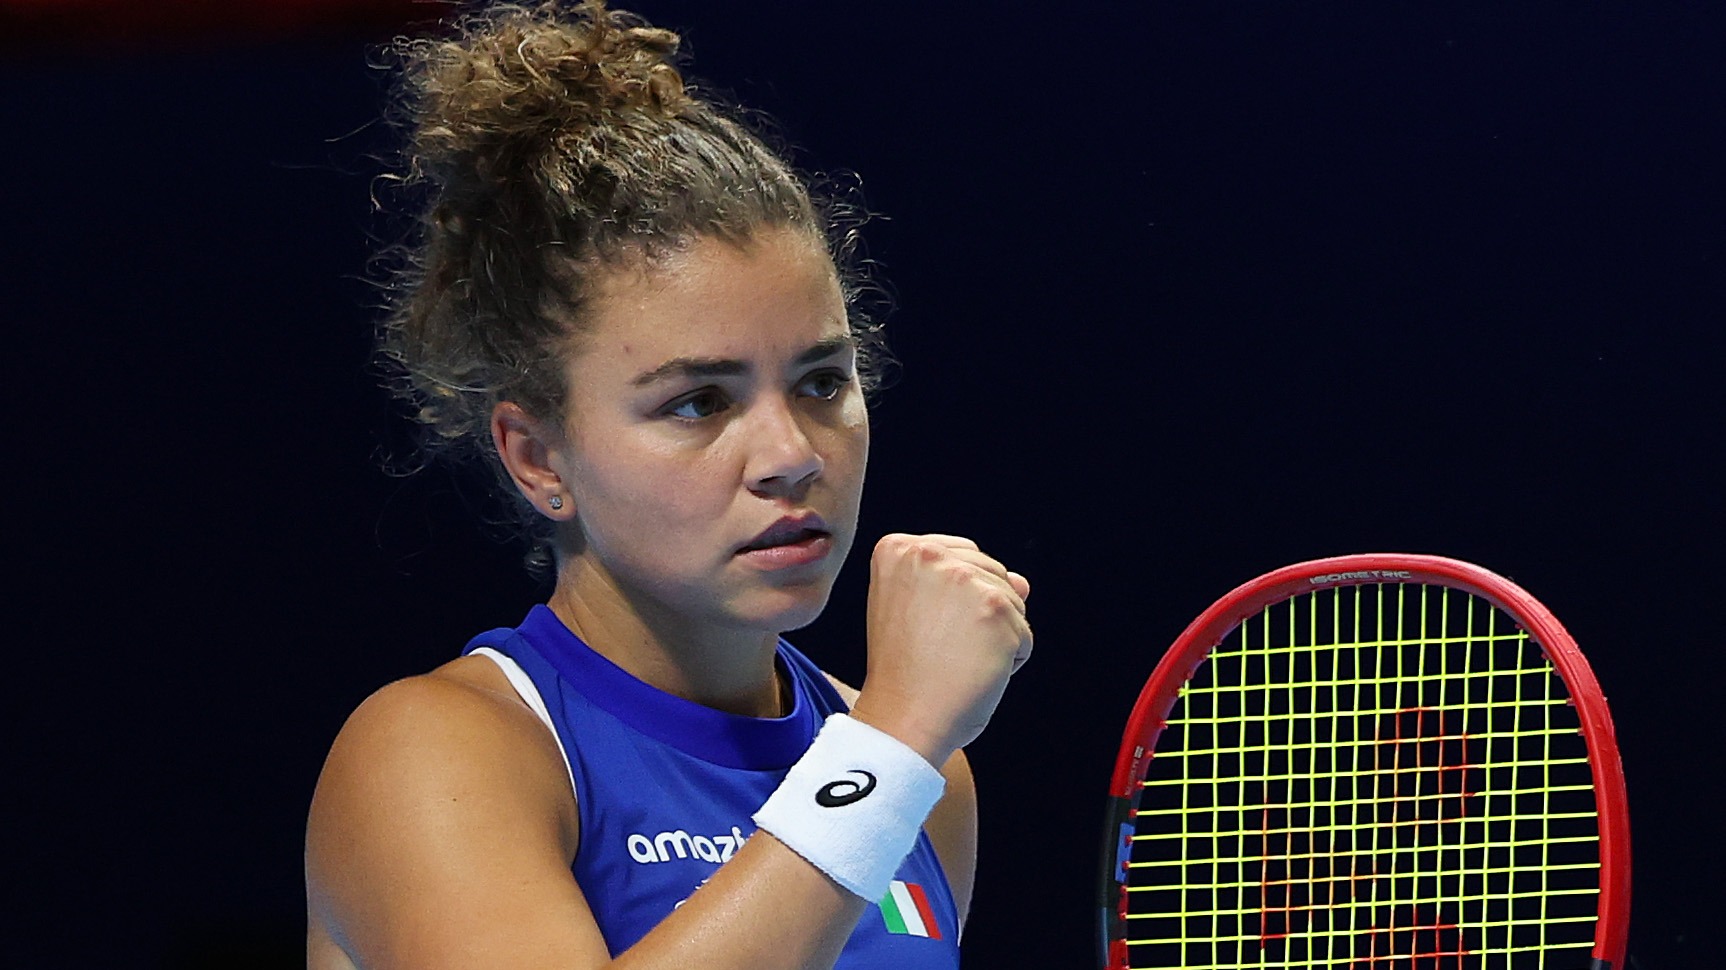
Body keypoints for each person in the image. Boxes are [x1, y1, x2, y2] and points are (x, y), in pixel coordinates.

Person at [304, 3, 1033, 968]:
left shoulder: (929, 785)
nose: (789, 453)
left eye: (822, 382)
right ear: (537, 457)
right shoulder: (436, 755)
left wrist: (894, 751)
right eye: (697, 403)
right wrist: (889, 749)